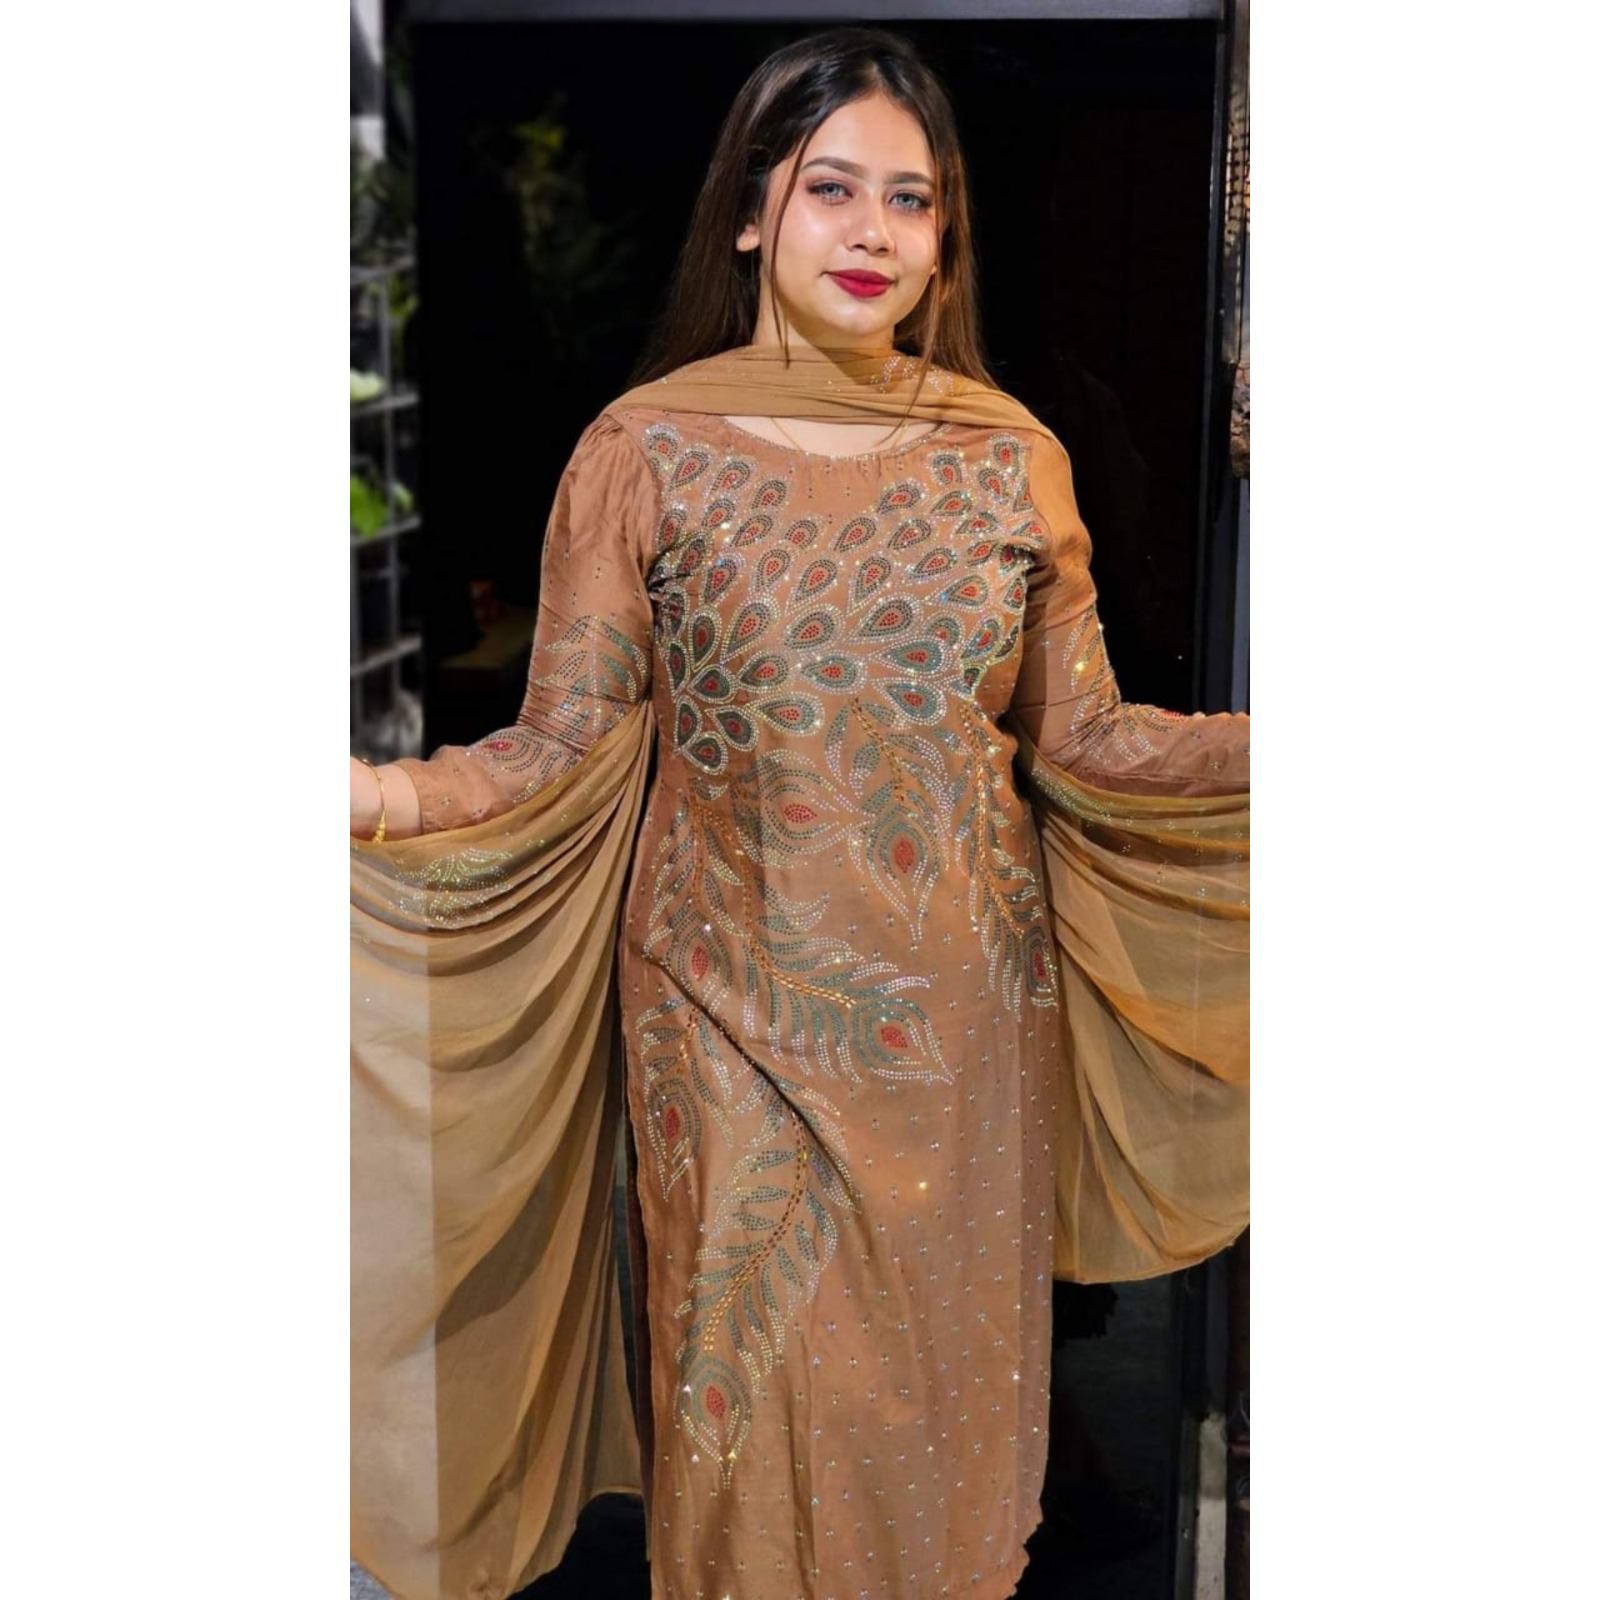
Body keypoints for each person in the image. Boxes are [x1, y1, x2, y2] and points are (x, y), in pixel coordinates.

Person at [350, 27, 1248, 1600]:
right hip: (724, 1024)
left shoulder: (1009, 456)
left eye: (911, 198)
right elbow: (560, 744)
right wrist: (378, 798)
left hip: (966, 1039)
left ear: (945, 237)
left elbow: (1091, 741)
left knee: (934, 1439)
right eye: (833, 187)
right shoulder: (644, 451)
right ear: (753, 212)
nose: (873, 230)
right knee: (754, 1426)